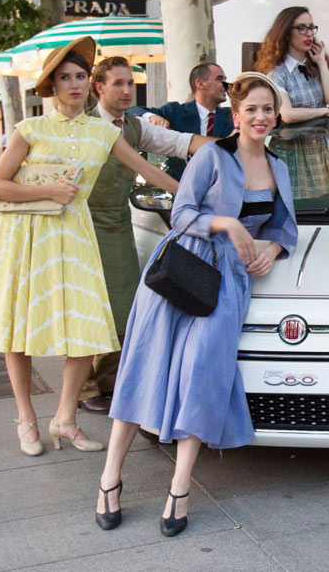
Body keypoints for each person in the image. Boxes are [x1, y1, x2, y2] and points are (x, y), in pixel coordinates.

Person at [95, 72, 298, 535]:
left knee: (203, 375)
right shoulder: (212, 155)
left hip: (228, 282)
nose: (261, 117)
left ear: (276, 116)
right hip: (181, 269)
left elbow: (286, 229)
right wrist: (228, 224)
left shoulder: (279, 167)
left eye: (268, 109)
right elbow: (183, 213)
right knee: (144, 368)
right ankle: (109, 479)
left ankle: (180, 487)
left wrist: (271, 250)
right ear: (236, 114)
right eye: (252, 109)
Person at [0, 36, 178, 457]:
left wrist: (195, 195)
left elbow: (148, 171)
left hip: (77, 239)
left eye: (80, 76)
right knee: (19, 331)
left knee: (88, 331)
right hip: (27, 239)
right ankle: (26, 417)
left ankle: (64, 418)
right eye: (65, 78)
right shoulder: (30, 129)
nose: (75, 84)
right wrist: (50, 190)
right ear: (52, 85)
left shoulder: (103, 132)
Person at [78, 57, 214, 414]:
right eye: (118, 83)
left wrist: (235, 145)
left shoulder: (135, 127)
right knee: (88, 305)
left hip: (117, 222)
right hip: (81, 224)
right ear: (99, 88)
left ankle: (108, 380)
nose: (127, 91)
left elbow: (181, 142)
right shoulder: (82, 124)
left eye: (131, 84)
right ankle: (83, 387)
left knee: (123, 304)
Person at [254, 6, 329, 196]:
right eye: (302, 28)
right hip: (293, 150)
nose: (309, 33)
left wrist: (321, 63)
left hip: (321, 148)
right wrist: (322, 112)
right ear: (287, 33)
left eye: (311, 27)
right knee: (299, 207)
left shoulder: (314, 67)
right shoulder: (277, 73)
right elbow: (287, 114)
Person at [128, 63, 233, 179]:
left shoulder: (232, 117)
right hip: (178, 185)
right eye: (219, 79)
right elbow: (131, 111)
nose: (226, 85)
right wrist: (151, 116)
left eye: (225, 80)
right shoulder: (175, 112)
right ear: (200, 83)